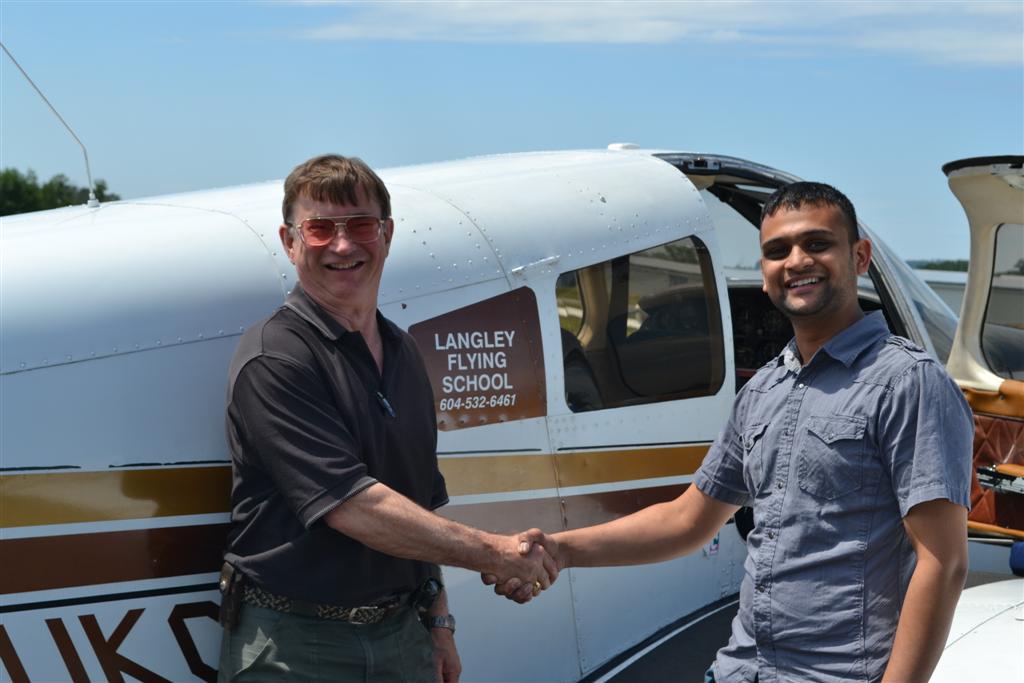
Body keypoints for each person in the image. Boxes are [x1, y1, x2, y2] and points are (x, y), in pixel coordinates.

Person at [491, 182, 973, 683]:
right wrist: (561, 550)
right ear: (764, 277)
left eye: (817, 243)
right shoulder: (764, 388)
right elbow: (688, 520)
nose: (796, 261)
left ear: (860, 256)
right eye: (776, 251)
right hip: (741, 670)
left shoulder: (909, 382)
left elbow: (943, 563)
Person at [219, 154, 557, 683]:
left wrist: (438, 621)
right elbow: (354, 507)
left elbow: (417, 500)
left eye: (359, 225)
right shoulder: (275, 356)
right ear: (290, 242)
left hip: (403, 636)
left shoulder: (403, 352)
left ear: (387, 233)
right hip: (295, 644)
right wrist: (495, 552)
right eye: (320, 229)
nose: (344, 245)